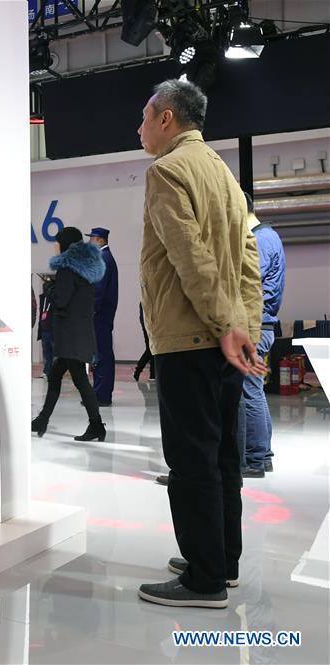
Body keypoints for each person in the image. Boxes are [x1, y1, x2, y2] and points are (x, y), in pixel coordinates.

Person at [135, 79, 265, 610]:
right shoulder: (223, 173)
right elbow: (249, 262)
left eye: (145, 117)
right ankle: (222, 560)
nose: (140, 128)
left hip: (188, 338)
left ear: (166, 118)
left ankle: (204, 579)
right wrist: (244, 330)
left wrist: (224, 324)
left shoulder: (167, 171)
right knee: (223, 455)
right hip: (226, 339)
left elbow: (190, 257)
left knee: (191, 460)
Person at [31, 227, 106, 442]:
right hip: (79, 333)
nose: (55, 246)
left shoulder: (66, 269)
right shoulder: (85, 270)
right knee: (56, 376)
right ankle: (42, 420)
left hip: (70, 337)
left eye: (57, 242)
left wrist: (49, 287)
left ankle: (96, 425)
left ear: (65, 244)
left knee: (80, 380)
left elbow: (61, 300)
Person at [237, 193, 285, 478]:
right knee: (253, 390)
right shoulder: (268, 236)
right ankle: (261, 455)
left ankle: (255, 458)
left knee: (248, 391)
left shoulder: (260, 239)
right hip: (262, 325)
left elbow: (249, 281)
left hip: (255, 325)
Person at [87, 228, 118, 406]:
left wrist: (91, 311)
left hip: (100, 315)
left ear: (100, 240)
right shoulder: (105, 257)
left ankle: (102, 395)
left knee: (102, 355)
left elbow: (98, 290)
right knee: (100, 354)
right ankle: (99, 392)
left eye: (92, 239)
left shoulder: (103, 258)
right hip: (103, 314)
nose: (90, 242)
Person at [37, 274, 55, 377]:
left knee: (54, 353)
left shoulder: (54, 298)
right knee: (46, 352)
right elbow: (41, 313)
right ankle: (47, 371)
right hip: (45, 329)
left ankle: (54, 372)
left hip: (53, 329)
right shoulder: (43, 298)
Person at [133, 302, 155, 382]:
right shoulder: (146, 300)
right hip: (150, 328)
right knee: (151, 350)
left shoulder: (145, 300)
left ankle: (152, 374)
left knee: (152, 350)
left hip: (149, 327)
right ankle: (138, 370)